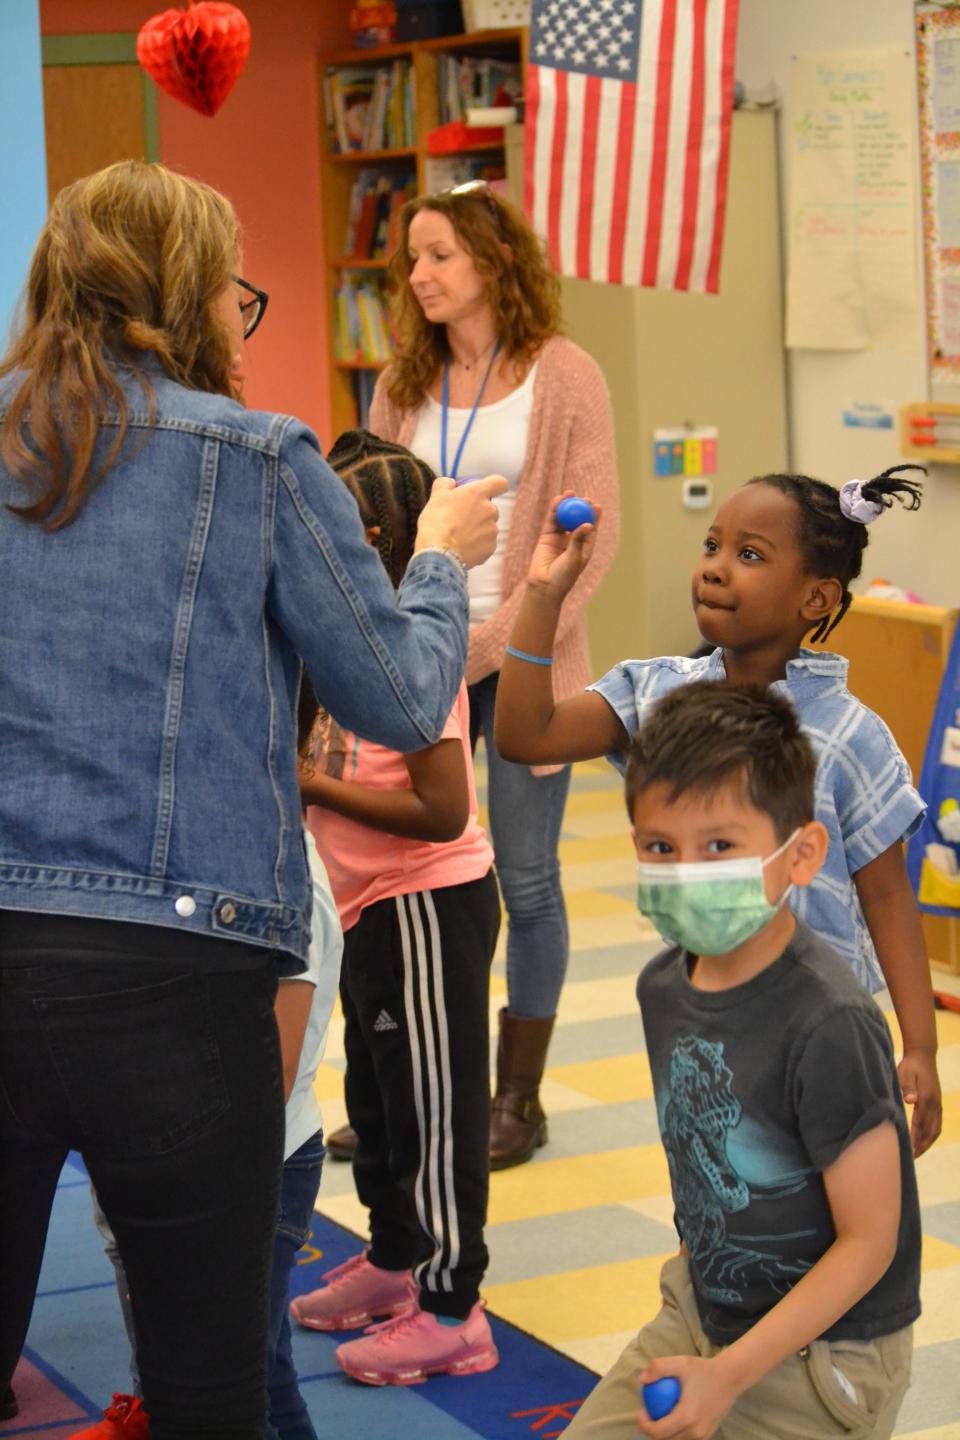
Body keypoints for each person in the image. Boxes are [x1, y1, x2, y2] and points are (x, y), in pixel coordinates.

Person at [0, 160, 506, 1440]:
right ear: (183, 295)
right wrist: (438, 564)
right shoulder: (260, 457)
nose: (242, 319)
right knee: (209, 1385)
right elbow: (397, 698)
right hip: (184, 968)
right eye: (238, 295)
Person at [494, 467, 943, 1158]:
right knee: (719, 1199)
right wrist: (541, 599)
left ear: (816, 597)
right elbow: (527, 735)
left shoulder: (852, 735)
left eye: (750, 555)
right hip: (703, 1016)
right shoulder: (660, 693)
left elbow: (886, 896)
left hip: (823, 1026)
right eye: (712, 547)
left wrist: (920, 1043)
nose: (715, 569)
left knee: (833, 1201)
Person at [566, 681, 920, 1440]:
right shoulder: (662, 987)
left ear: (802, 855)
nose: (687, 870)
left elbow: (870, 1240)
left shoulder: (830, 1023)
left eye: (720, 846)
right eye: (661, 847)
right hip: (703, 1314)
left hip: (829, 1358)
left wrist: (730, 1375)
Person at [351, 179, 620, 1172]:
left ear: (495, 262)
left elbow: (591, 535)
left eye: (438, 256)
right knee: (404, 876)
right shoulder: (401, 380)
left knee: (525, 875)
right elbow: (368, 513)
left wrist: (489, 644)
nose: (417, 276)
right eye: (411, 260)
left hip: (524, 667)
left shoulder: (565, 374)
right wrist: (406, 640)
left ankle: (518, 1097)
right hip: (415, 657)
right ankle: (406, 1074)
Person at [69, 682, 344, 1440]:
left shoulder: (292, 881)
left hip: (252, 1171)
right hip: (162, 1154)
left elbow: (269, 1078)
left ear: (299, 750)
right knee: (165, 1357)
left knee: (250, 1371)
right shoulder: (189, 852)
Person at [291, 429, 501, 1385]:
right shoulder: (344, 642)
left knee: (434, 1114)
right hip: (366, 909)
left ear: (370, 536)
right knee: (377, 1103)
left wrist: (313, 787)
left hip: (426, 905)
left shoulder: (418, 651)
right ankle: (390, 1261)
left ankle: (454, 1306)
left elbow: (442, 806)